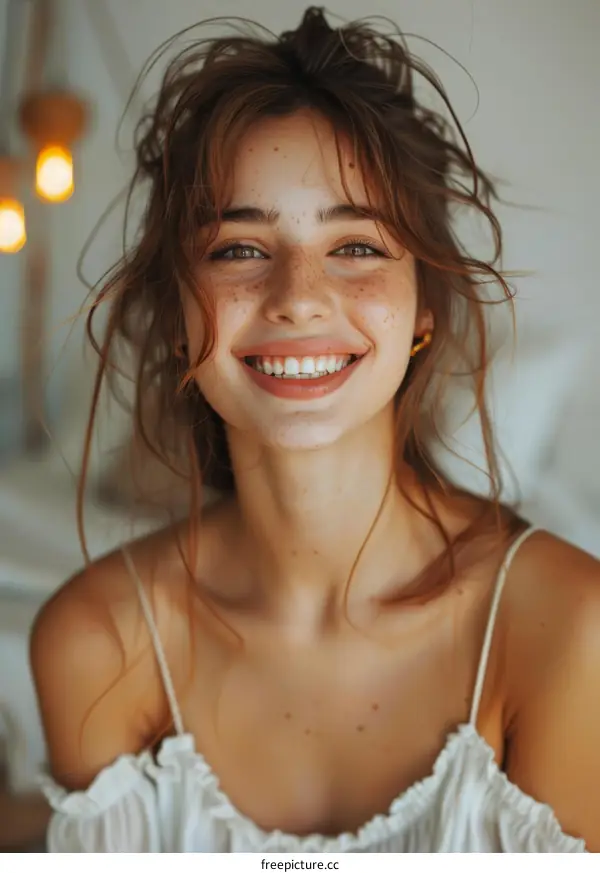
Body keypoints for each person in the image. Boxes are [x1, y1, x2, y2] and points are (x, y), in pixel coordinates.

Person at [30, 6, 600, 853]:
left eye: (358, 246)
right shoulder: (95, 641)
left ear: (424, 312)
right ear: (179, 313)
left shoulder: (565, 630)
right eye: (239, 249)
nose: (298, 293)